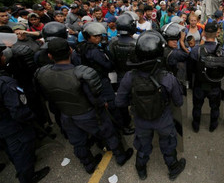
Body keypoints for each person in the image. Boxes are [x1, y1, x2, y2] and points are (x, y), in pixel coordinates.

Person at [35, 38, 133, 174]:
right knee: (109, 133)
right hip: (88, 113)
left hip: (66, 114)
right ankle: (120, 157)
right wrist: (102, 104)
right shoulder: (81, 73)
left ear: (50, 56)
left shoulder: (42, 73)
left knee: (78, 142)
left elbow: (45, 95)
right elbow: (95, 97)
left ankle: (89, 165)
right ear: (70, 51)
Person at [115, 31, 186, 180]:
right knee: (168, 143)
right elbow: (179, 102)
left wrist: (136, 102)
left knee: (143, 145)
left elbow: (120, 102)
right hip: (163, 119)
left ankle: (141, 169)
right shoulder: (167, 78)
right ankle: (173, 167)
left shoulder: (130, 76)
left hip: (141, 119)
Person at [0, 34, 50, 183]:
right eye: (1, 55)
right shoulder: (6, 83)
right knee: (21, 151)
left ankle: (20, 168)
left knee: (11, 149)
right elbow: (17, 109)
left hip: (3, 125)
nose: (3, 57)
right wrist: (30, 118)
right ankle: (27, 177)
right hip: (13, 125)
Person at [189, 21, 224, 132]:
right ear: (217, 34)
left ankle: (196, 125)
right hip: (215, 85)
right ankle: (213, 125)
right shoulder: (223, 52)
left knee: (197, 106)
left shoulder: (195, 51)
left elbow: (191, 69)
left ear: (204, 33)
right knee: (215, 107)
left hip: (199, 83)